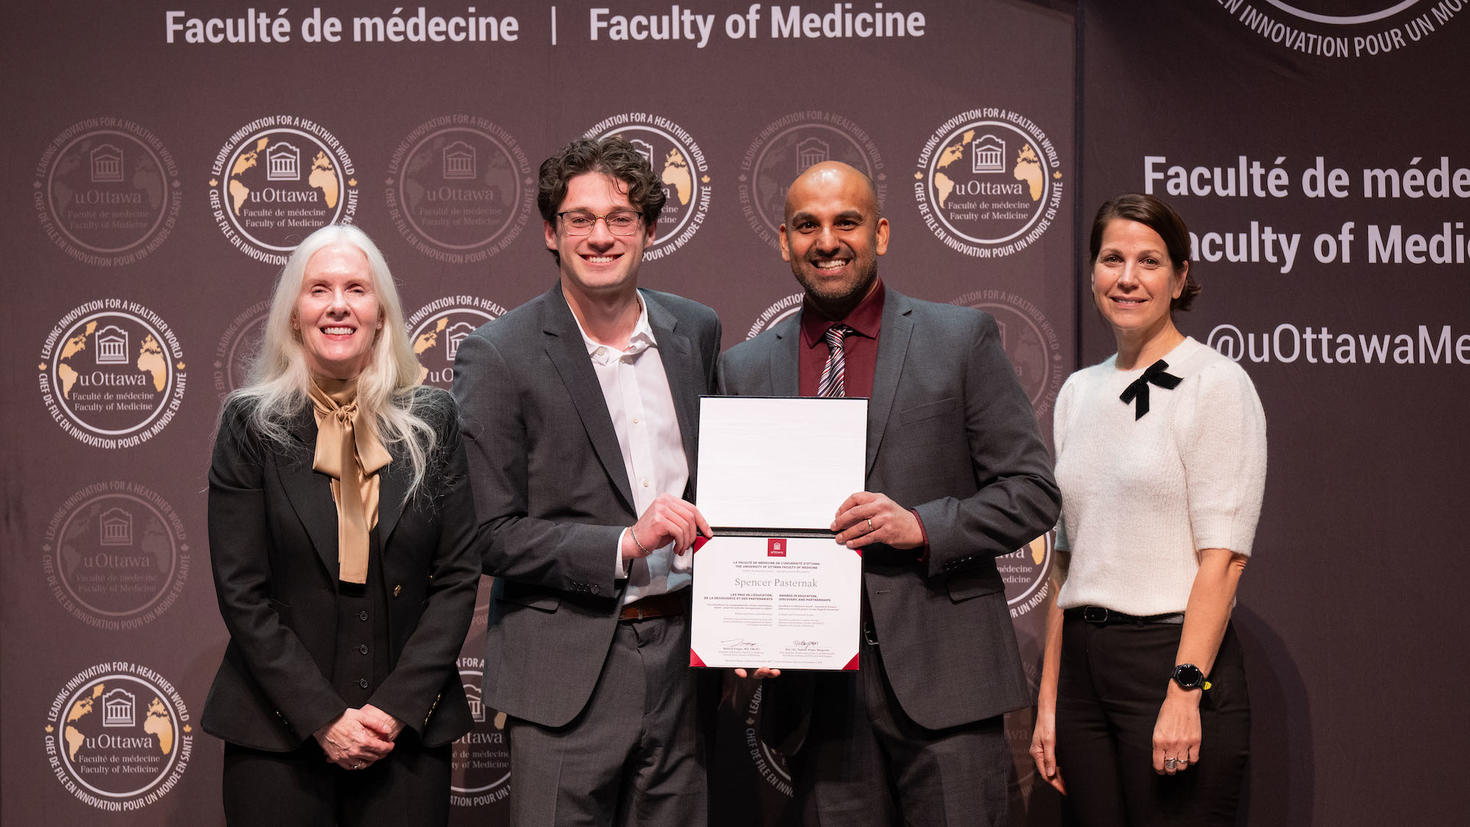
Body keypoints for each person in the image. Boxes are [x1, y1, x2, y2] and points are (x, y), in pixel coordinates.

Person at [719, 161, 1060, 825]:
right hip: (819, 698)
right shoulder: (747, 366)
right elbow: (738, 524)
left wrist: (923, 527)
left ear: (880, 232)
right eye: (806, 225)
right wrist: (747, 623)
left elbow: (1032, 491)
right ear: (783, 241)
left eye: (846, 221)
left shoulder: (960, 339)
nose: (827, 239)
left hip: (946, 678)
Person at [451, 136, 721, 824]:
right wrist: (623, 543)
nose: (601, 236)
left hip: (685, 667)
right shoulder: (498, 354)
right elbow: (490, 534)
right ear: (551, 231)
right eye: (580, 219)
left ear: (650, 230)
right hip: (564, 671)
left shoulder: (696, 331)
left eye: (621, 218)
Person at [202, 224, 480, 826]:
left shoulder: (435, 420)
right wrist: (322, 717)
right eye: (318, 289)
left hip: (404, 737)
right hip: (276, 735)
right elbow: (241, 593)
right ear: (294, 315)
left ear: (380, 313)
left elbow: (457, 579)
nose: (337, 304)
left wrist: (395, 709)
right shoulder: (249, 425)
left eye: (356, 288)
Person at [1029, 193, 1267, 826]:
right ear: (1092, 271)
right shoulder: (1078, 392)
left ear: (1180, 277)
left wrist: (1185, 690)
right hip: (1082, 673)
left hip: (1169, 661)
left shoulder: (1216, 383)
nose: (1127, 278)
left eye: (1149, 261)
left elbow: (1224, 559)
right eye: (1112, 259)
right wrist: (1050, 700)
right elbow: (1067, 565)